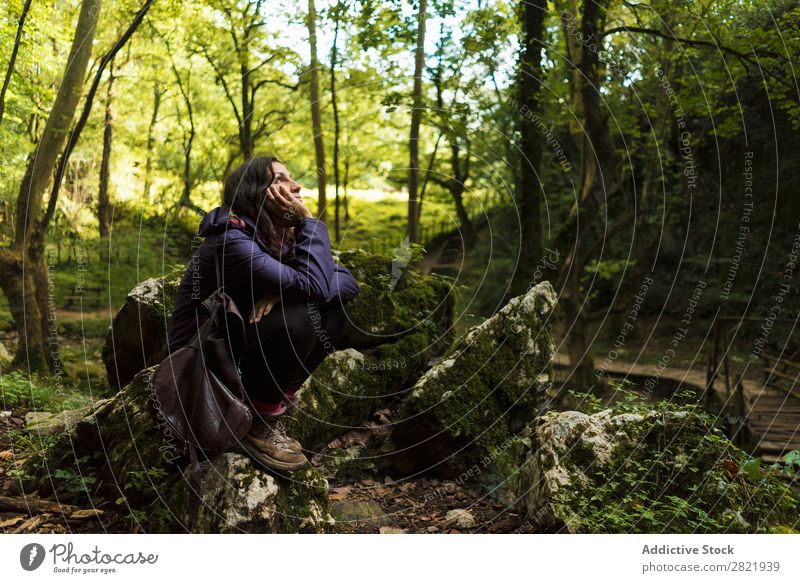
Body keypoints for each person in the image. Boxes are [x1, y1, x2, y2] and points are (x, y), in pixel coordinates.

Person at [166, 155, 360, 471]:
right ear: (257, 192)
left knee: (332, 310)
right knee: (299, 316)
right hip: (202, 364)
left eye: (292, 178)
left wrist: (280, 294)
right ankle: (256, 424)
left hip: (237, 345)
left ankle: (271, 406)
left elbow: (347, 283)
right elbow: (313, 286)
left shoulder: (278, 238)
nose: (296, 186)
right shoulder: (231, 240)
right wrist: (309, 219)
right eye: (281, 180)